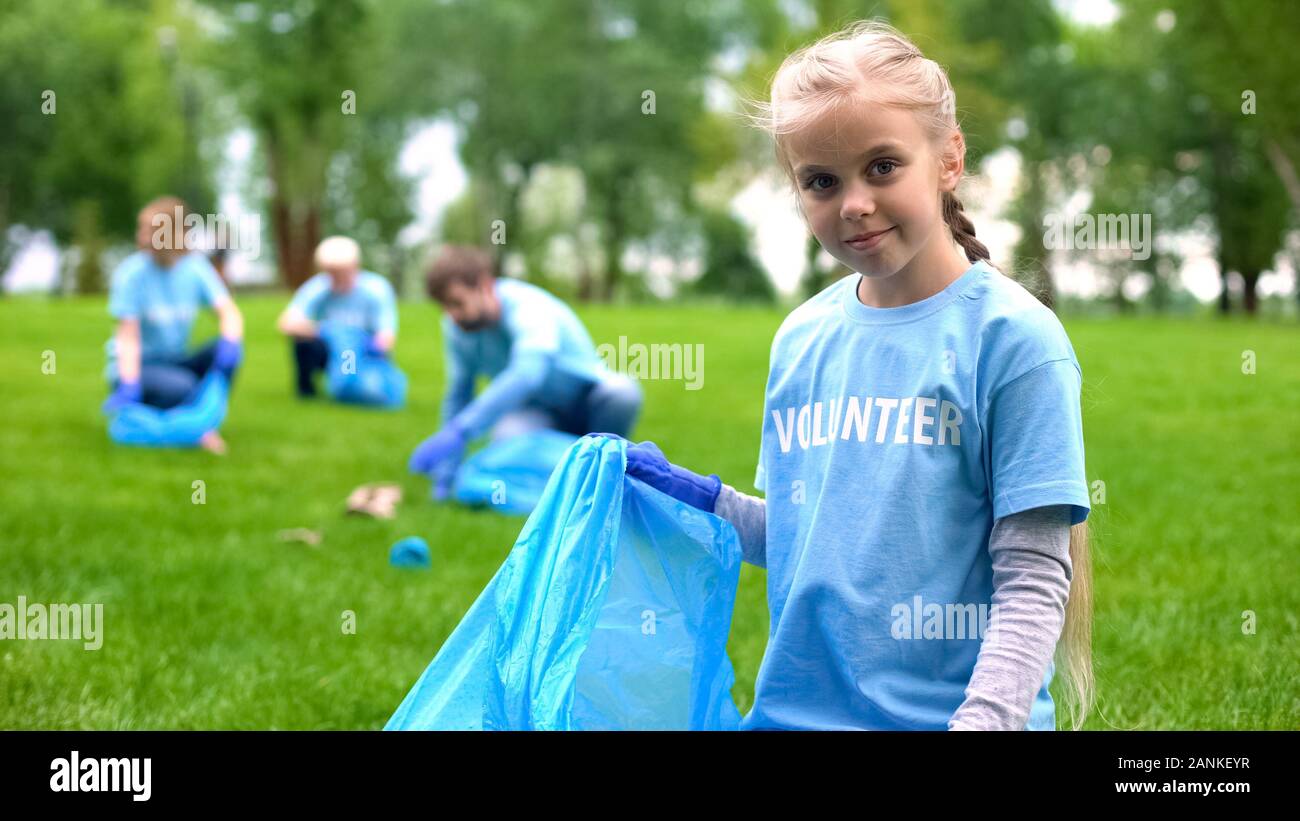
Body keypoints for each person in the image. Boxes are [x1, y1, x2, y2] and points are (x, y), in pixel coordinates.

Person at [602, 21, 1093, 731]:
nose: (853, 203)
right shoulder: (801, 338)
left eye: (883, 167)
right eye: (821, 181)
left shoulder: (1014, 341)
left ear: (949, 157)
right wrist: (696, 502)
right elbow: (806, 535)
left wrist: (983, 723)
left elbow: (1033, 578)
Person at [409, 245, 643, 498]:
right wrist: (446, 472)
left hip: (588, 403)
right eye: (444, 307)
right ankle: (569, 480)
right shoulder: (458, 330)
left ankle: (607, 468)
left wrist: (462, 429)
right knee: (507, 436)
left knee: (622, 393)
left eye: (457, 303)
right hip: (536, 413)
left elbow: (528, 373)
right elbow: (459, 393)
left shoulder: (528, 306)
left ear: (485, 285)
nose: (452, 315)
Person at [103, 196, 244, 454]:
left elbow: (229, 313)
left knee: (224, 352)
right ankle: (195, 430)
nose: (142, 237)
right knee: (182, 386)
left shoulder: (196, 268)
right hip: (137, 366)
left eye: (150, 230)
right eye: (141, 229)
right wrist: (129, 381)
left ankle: (203, 424)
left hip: (174, 361)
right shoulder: (131, 274)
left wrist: (231, 342)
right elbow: (128, 337)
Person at [276, 236, 398, 399]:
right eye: (331, 273)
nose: (336, 278)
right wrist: (326, 330)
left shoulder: (376, 289)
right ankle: (306, 392)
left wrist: (366, 344)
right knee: (303, 343)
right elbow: (286, 323)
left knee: (353, 376)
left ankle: (352, 387)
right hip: (330, 350)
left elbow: (387, 336)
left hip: (362, 352)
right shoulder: (319, 288)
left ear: (355, 266)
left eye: (341, 272)